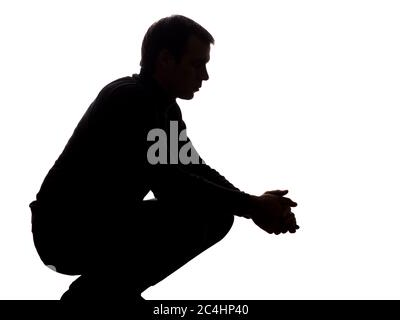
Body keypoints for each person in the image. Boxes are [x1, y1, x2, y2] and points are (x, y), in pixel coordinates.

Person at [29, 14, 299, 305]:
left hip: (97, 226)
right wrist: (253, 206)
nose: (205, 76)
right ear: (166, 60)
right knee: (212, 214)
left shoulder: (166, 111)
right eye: (197, 64)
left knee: (217, 213)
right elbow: (170, 183)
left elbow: (196, 168)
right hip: (65, 233)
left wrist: (254, 205)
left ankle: (109, 291)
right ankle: (96, 296)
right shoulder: (129, 99)